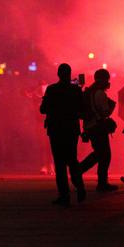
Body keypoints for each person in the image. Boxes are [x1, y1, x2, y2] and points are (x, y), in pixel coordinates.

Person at [40, 64, 86, 206]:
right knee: (72, 160)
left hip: (56, 130)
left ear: (58, 74)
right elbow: (82, 110)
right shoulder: (76, 90)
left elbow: (43, 109)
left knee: (59, 163)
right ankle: (80, 187)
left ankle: (64, 196)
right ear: (69, 74)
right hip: (71, 129)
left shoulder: (52, 89)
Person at [79, 68, 118, 192]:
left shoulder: (90, 91)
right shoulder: (100, 93)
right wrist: (111, 106)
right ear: (105, 79)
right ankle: (99, 182)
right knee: (104, 155)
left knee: (99, 154)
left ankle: (80, 171)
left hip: (90, 127)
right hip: (98, 127)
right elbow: (105, 112)